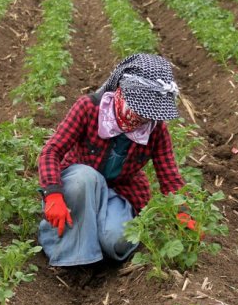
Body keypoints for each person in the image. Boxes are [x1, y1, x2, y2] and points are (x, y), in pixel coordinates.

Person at [38, 54, 195, 267]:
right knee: (86, 177)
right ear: (121, 91)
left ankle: (98, 250)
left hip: (119, 192)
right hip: (80, 186)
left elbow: (169, 178)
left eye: (149, 113)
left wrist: (184, 214)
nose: (142, 118)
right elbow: (51, 151)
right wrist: (53, 194)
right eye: (140, 108)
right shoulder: (89, 109)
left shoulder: (155, 131)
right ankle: (73, 256)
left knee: (118, 242)